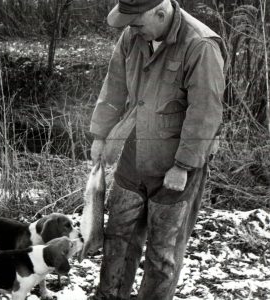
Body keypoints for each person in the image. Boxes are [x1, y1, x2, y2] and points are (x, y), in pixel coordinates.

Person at [89, 0, 226, 299]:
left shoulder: (200, 45)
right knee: (118, 235)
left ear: (161, 14)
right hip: (133, 153)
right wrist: (100, 136)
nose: (132, 30)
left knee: (162, 252)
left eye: (137, 23)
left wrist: (183, 166)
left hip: (175, 166)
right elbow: (113, 86)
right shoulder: (133, 35)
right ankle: (110, 295)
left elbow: (205, 113)